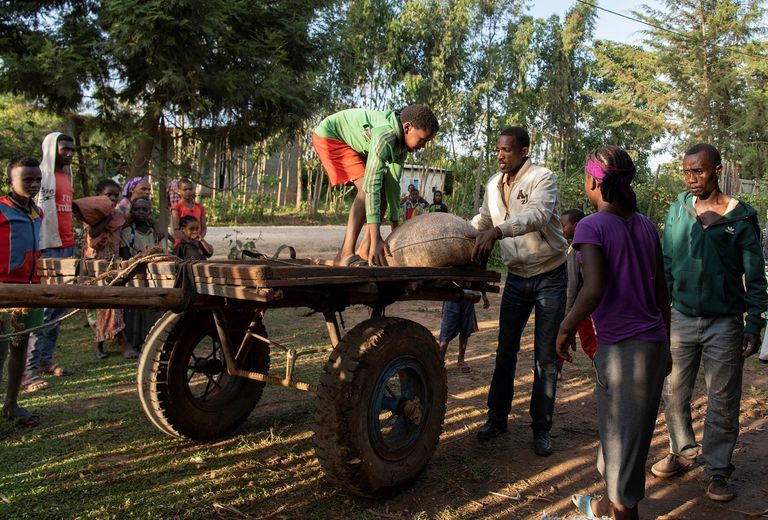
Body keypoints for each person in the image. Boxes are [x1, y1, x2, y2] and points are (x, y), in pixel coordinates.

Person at [557, 145, 670, 520]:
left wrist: (565, 326)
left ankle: (618, 509)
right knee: (621, 437)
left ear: (594, 181)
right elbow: (661, 294)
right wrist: (666, 344)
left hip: (622, 351)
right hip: (652, 346)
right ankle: (603, 506)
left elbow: (593, 289)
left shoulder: (591, 225)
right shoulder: (646, 226)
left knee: (622, 453)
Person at [651, 143, 767, 503]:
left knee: (722, 398)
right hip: (681, 318)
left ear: (717, 170)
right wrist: (661, 313)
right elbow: (666, 264)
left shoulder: (741, 217)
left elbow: (756, 276)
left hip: (724, 323)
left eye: (699, 171)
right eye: (686, 171)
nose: (692, 178)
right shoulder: (678, 210)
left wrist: (754, 324)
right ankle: (682, 451)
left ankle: (718, 471)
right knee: (672, 391)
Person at [469, 126, 568, 456]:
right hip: (516, 278)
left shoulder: (543, 177)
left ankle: (541, 429)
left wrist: (498, 231)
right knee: (504, 351)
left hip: (549, 276)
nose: (500, 155)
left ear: (524, 150)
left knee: (545, 358)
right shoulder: (492, 185)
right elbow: (484, 220)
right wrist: (455, 232)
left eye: (507, 150)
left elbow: (537, 215)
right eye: (498, 149)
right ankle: (496, 420)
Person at [312, 104, 439, 266]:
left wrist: (395, 226)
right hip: (330, 136)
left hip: (353, 144)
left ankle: (365, 249)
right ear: (407, 128)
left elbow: (393, 185)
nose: (423, 146)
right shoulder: (386, 137)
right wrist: (376, 237)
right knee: (367, 188)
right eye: (423, 139)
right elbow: (372, 185)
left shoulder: (400, 147)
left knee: (384, 184)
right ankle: (345, 254)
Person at [23, 133, 76, 392]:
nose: (69, 153)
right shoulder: (39, 176)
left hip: (68, 245)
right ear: (51, 149)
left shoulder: (67, 176)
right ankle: (28, 372)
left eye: (72, 150)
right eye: (64, 149)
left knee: (59, 310)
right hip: (47, 247)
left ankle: (45, 361)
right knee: (43, 311)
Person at [0, 157, 45, 425]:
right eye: (27, 179)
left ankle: (12, 404)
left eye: (37, 179)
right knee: (0, 349)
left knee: (21, 345)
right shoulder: (1, 211)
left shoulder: (37, 213)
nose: (34, 184)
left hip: (30, 291)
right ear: (9, 182)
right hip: (3, 289)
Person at [80, 179, 137, 360]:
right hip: (95, 265)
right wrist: (107, 218)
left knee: (114, 304)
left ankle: (101, 343)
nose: (112, 198)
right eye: (108, 195)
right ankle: (121, 342)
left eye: (115, 195)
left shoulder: (119, 215)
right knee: (103, 305)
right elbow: (93, 235)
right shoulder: (91, 214)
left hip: (113, 263)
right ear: (99, 195)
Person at [119, 197, 166, 351]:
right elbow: (125, 255)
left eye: (144, 209)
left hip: (153, 277)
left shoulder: (156, 234)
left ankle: (153, 340)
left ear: (149, 212)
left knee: (152, 311)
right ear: (131, 212)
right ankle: (134, 341)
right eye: (137, 209)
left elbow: (163, 254)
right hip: (134, 277)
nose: (140, 212)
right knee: (134, 312)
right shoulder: (127, 233)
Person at [558, 208, 596, 379]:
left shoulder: (576, 247)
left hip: (578, 302)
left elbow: (573, 282)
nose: (562, 229)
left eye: (564, 225)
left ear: (576, 225)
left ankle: (599, 362)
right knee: (583, 336)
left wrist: (568, 308)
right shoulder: (582, 244)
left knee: (572, 334)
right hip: (583, 301)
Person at [439, 294, 490, 373]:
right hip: (452, 295)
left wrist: (484, 296)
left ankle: (461, 360)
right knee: (447, 330)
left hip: (469, 296)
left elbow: (479, 282)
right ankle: (439, 361)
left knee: (465, 329)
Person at [171, 178, 206, 247]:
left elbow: (204, 227)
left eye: (190, 189)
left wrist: (199, 239)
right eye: (185, 189)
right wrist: (188, 241)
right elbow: (176, 229)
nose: (188, 191)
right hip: (182, 244)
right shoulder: (176, 207)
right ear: (178, 191)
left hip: (197, 243)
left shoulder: (199, 207)